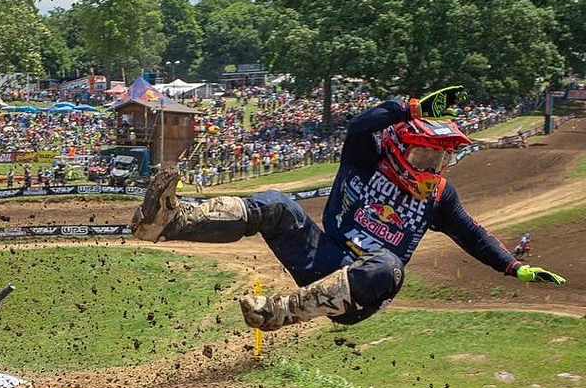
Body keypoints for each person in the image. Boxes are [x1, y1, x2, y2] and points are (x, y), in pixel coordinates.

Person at [131, 87, 566, 331]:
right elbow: (360, 123)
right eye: (425, 157)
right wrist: (411, 107)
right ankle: (170, 221)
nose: (432, 168)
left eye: (440, 160)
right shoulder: (366, 154)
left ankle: (280, 312)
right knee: (277, 203)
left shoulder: (438, 196)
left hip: (363, 292)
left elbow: (471, 233)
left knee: (391, 265)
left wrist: (514, 268)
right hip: (323, 256)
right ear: (400, 146)